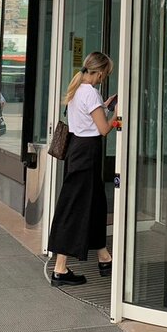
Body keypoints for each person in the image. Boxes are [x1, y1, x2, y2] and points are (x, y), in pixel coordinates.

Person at [47, 51, 118, 286]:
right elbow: (103, 129)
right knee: (75, 207)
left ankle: (103, 256)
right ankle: (60, 268)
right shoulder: (91, 93)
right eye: (106, 73)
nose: (104, 78)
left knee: (95, 205)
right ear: (100, 72)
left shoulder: (78, 90)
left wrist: (104, 106)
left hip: (78, 150)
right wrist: (116, 114)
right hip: (87, 153)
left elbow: (87, 120)